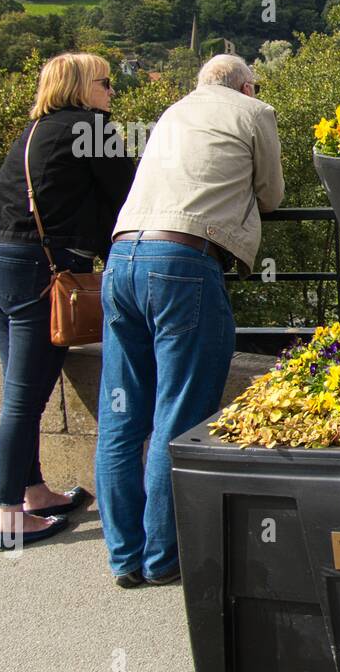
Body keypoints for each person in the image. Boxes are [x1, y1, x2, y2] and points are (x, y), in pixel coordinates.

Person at [94, 55, 283, 589]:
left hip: (121, 259)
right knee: (177, 412)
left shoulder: (171, 112)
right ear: (246, 85)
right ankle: (162, 558)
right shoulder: (254, 111)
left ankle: (124, 557)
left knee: (122, 413)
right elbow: (272, 194)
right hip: (182, 263)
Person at [0, 52, 135, 549]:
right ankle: (8, 515)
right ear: (83, 87)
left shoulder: (35, 131)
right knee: (24, 396)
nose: (112, 93)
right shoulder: (95, 130)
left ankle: (34, 492)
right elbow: (130, 196)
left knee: (17, 386)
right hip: (38, 269)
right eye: (105, 83)